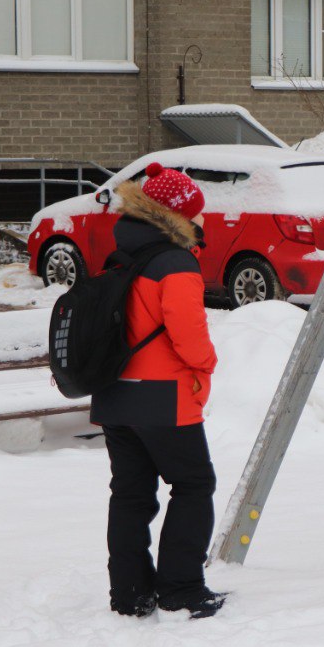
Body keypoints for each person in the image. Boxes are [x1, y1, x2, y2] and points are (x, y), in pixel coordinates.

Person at [90, 163, 224, 619]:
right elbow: (190, 341)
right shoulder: (175, 264)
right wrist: (208, 364)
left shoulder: (119, 254)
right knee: (193, 484)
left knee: (130, 492)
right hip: (163, 396)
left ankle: (129, 594)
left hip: (114, 393)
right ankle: (182, 590)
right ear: (179, 216)